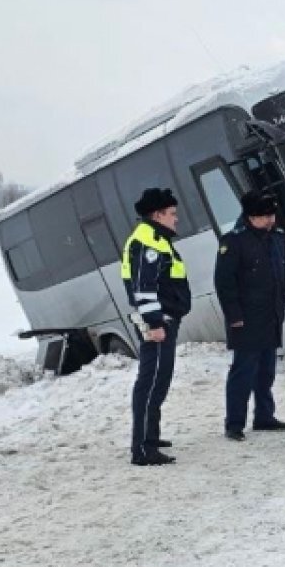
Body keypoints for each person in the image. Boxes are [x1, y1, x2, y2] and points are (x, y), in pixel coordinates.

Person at [213, 190, 285, 441]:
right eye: (265, 216)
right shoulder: (234, 241)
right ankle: (234, 423)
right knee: (243, 372)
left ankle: (264, 416)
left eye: (272, 215)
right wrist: (234, 316)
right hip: (246, 319)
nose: (271, 220)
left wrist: (283, 299)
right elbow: (224, 282)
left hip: (271, 315)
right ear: (250, 217)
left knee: (267, 370)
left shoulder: (278, 239)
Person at [122, 187, 191, 466]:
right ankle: (143, 448)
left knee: (159, 381)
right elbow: (143, 289)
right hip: (158, 322)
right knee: (151, 383)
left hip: (163, 320)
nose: (177, 219)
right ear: (158, 214)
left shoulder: (156, 238)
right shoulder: (148, 241)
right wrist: (155, 322)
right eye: (173, 214)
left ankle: (151, 435)